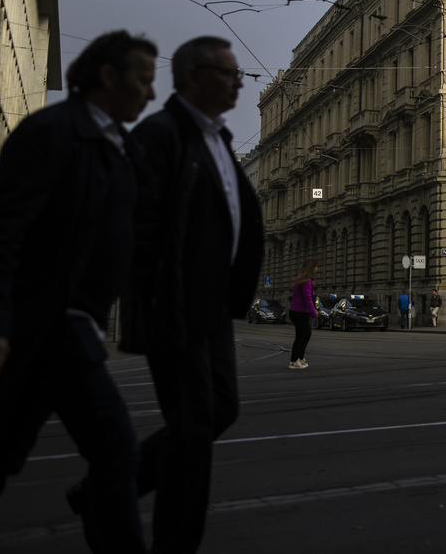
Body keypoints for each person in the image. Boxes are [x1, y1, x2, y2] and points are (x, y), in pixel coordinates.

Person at [0, 30, 157, 553]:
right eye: (143, 79)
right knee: (117, 451)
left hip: (66, 327)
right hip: (50, 324)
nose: (151, 94)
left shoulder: (124, 147)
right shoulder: (52, 132)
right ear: (109, 77)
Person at [119, 35, 264, 554]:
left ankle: (108, 492)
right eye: (228, 74)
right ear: (191, 77)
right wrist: (160, 301)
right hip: (174, 307)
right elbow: (141, 229)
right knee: (195, 427)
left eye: (238, 75)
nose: (239, 84)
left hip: (214, 310)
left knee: (218, 411)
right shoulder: (159, 136)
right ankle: (175, 544)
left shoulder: (217, 139)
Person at [288, 260, 317, 369]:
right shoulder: (306, 281)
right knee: (301, 336)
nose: (317, 269)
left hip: (297, 311)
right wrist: (313, 312)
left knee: (305, 334)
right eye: (315, 267)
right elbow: (307, 299)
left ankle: (299, 357)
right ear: (311, 268)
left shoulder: (302, 279)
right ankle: (294, 360)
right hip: (300, 312)